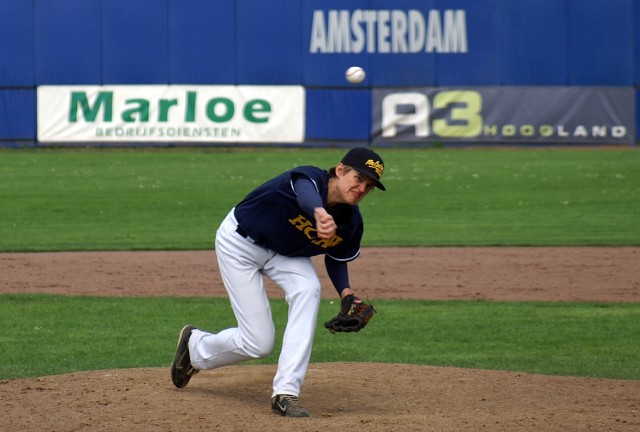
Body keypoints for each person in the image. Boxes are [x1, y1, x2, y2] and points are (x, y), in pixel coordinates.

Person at [170, 147, 386, 418]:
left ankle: (286, 392)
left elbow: (336, 257)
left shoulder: (350, 222)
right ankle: (195, 347)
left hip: (285, 255)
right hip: (240, 243)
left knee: (309, 288)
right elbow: (305, 195)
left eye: (369, 186)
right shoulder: (310, 178)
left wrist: (346, 294)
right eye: (359, 178)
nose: (362, 188)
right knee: (258, 343)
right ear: (340, 170)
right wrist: (319, 212)